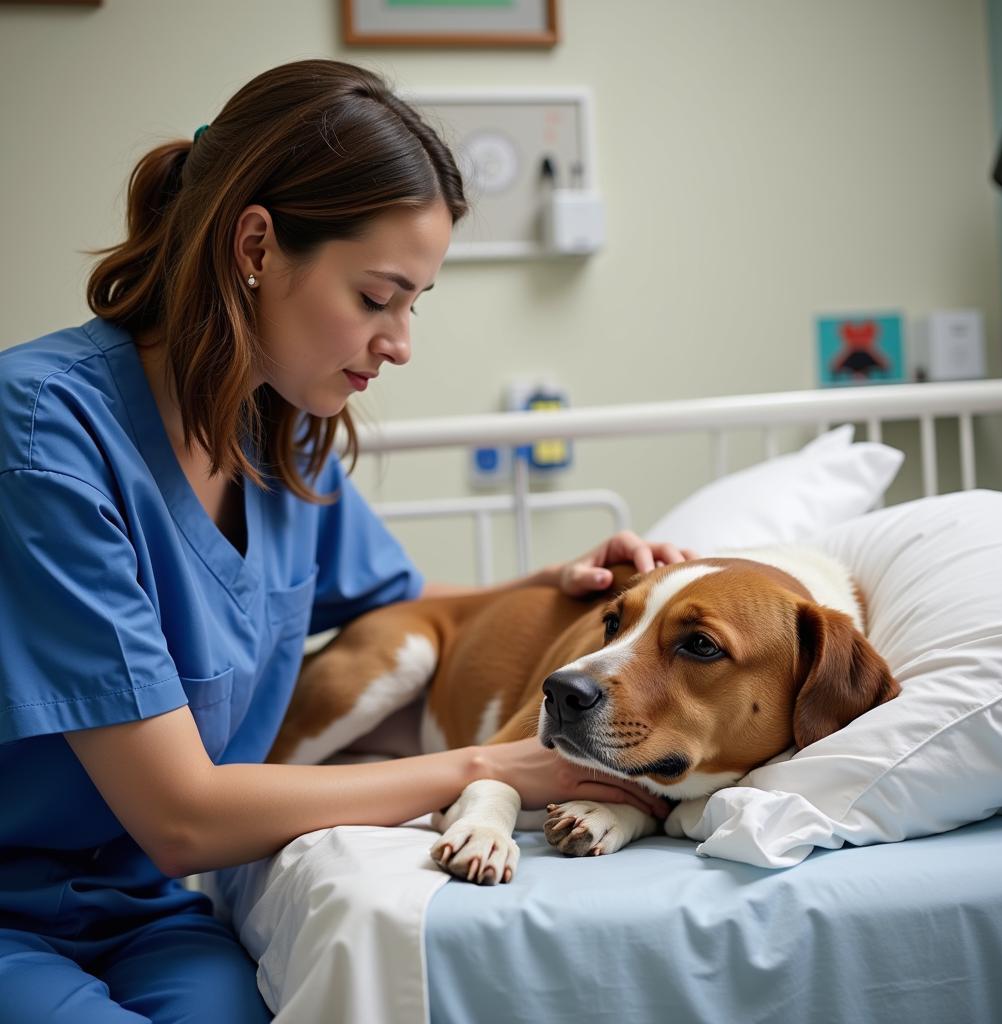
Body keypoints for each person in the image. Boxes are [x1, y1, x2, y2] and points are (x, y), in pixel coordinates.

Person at [0, 59, 687, 1022]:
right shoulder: (42, 439)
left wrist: (559, 586)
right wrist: (486, 767)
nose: (401, 341)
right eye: (377, 298)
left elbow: (396, 606)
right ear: (256, 245)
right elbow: (183, 815)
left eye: (416, 303)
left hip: (139, 909)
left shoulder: (276, 435)